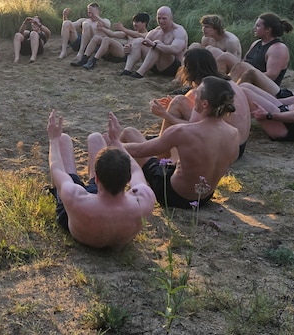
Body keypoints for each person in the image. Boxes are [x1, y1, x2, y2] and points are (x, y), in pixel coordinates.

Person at [121, 76, 241, 208]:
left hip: (172, 195)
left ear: (205, 104)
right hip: (203, 198)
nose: (193, 94)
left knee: (129, 132)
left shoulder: (184, 132)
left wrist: (112, 143)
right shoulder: (234, 134)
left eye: (197, 93)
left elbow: (139, 150)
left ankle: (102, 183)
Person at [47, 111, 156, 248]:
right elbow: (136, 170)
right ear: (128, 179)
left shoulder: (74, 197)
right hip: (110, 208)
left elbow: (56, 169)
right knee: (96, 138)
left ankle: (61, 140)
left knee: (62, 139)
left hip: (83, 212)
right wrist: (116, 141)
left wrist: (53, 140)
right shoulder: (145, 199)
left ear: (97, 178)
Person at [149, 48, 251, 161]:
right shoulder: (227, 82)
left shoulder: (208, 88)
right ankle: (161, 142)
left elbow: (194, 127)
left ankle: (160, 151)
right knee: (179, 102)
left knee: (177, 101)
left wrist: (165, 115)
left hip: (224, 149)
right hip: (239, 146)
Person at [215, 12, 293, 91]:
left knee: (243, 68)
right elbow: (244, 62)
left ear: (268, 30)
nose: (254, 28)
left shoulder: (278, 48)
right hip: (246, 76)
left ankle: (226, 91)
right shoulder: (257, 43)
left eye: (258, 26)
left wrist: (245, 75)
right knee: (225, 56)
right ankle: (216, 84)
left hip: (265, 88)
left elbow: (271, 76)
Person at [119, 6, 188, 79]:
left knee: (157, 44)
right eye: (159, 18)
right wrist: (130, 47)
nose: (161, 21)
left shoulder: (178, 31)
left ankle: (140, 73)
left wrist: (155, 45)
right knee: (138, 41)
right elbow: (144, 43)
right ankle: (127, 70)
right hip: (154, 66)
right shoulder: (155, 31)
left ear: (171, 18)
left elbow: (176, 49)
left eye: (164, 18)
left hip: (173, 68)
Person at [75, 11, 151, 70]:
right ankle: (84, 59)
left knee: (107, 39)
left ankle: (93, 61)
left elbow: (139, 36)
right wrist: (102, 28)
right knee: (96, 38)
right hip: (120, 50)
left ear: (144, 23)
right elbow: (112, 34)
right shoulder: (129, 32)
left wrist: (123, 29)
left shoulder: (148, 34)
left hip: (125, 55)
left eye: (137, 22)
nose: (134, 24)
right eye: (134, 22)